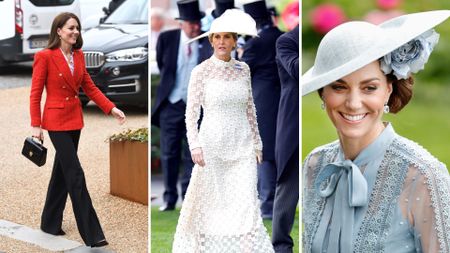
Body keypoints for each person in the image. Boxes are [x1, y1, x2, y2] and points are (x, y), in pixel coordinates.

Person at [302, 10, 450, 252]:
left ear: (388, 91)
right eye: (339, 87)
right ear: (323, 93)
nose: (353, 103)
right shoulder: (314, 165)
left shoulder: (423, 176)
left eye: (369, 88)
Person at [172, 9, 274, 252]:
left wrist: (257, 143)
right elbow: (192, 114)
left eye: (227, 37)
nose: (222, 42)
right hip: (212, 146)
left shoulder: (244, 69)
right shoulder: (201, 72)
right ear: (210, 40)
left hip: (243, 145)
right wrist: (195, 144)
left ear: (235, 41)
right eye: (217, 37)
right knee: (209, 204)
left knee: (246, 203)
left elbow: (251, 108)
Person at [30, 12, 126, 247]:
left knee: (63, 172)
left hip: (74, 121)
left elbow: (90, 88)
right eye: (70, 28)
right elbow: (35, 93)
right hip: (54, 122)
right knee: (75, 174)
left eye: (77, 28)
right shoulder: (44, 56)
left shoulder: (79, 56)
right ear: (59, 31)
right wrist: (36, 125)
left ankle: (49, 222)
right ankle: (93, 234)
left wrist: (111, 108)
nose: (75, 32)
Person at [151, 0, 212, 212]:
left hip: (197, 107)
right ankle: (169, 198)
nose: (195, 26)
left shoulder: (206, 42)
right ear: (181, 23)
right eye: (191, 22)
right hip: (172, 103)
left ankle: (188, 197)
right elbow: (162, 64)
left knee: (192, 153)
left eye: (197, 22)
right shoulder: (167, 39)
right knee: (169, 153)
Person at [241, 0, 283, 220]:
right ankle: (277, 203)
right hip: (282, 101)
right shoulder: (283, 36)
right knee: (278, 151)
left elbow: (242, 71)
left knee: (263, 153)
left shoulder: (255, 43)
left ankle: (266, 207)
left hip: (262, 102)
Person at [271, 24, 299, 253]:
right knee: (287, 183)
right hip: (292, 119)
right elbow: (296, 69)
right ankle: (280, 244)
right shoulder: (286, 41)